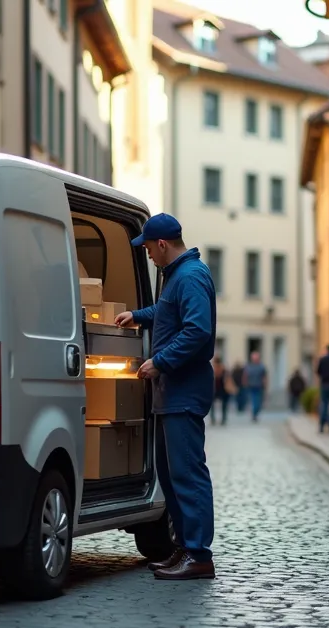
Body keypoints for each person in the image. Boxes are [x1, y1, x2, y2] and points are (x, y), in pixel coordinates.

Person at [113, 213, 217, 581]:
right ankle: (183, 548)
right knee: (171, 475)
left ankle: (199, 555)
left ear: (161, 245)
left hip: (183, 390)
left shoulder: (189, 277)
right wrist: (137, 315)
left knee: (187, 474)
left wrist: (160, 361)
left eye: (147, 249)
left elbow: (197, 331)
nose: (147, 256)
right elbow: (168, 312)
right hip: (172, 392)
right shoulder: (179, 277)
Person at [242, 352, 268, 422]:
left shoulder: (261, 367)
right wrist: (245, 383)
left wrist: (265, 384)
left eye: (256, 358)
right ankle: (254, 414)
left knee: (259, 402)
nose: (255, 359)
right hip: (251, 386)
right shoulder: (248, 366)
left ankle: (255, 413)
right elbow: (245, 375)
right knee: (253, 401)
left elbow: (264, 377)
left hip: (259, 386)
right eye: (254, 358)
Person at [210, 356, 234, 426]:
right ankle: (223, 419)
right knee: (224, 406)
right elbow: (228, 378)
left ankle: (213, 419)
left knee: (212, 406)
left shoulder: (212, 368)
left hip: (214, 389)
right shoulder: (224, 369)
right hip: (223, 389)